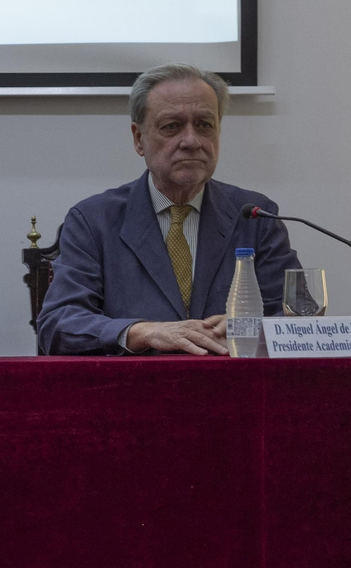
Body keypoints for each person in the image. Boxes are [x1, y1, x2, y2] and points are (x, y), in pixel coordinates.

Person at [37, 64, 301, 356]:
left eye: (204, 125)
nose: (191, 141)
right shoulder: (93, 221)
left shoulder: (256, 216)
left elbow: (298, 318)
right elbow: (58, 325)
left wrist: (256, 328)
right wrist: (143, 332)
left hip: (233, 392)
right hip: (131, 393)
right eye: (172, 126)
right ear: (139, 139)